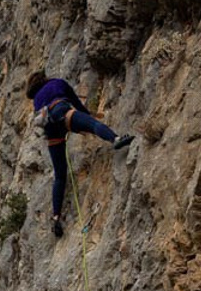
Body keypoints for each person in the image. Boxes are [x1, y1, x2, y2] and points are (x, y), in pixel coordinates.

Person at [26, 71, 134, 237]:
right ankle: (116, 139)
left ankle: (56, 217)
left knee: (60, 175)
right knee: (93, 125)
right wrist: (85, 114)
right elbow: (76, 102)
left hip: (50, 128)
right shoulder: (57, 83)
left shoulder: (37, 99)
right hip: (62, 111)